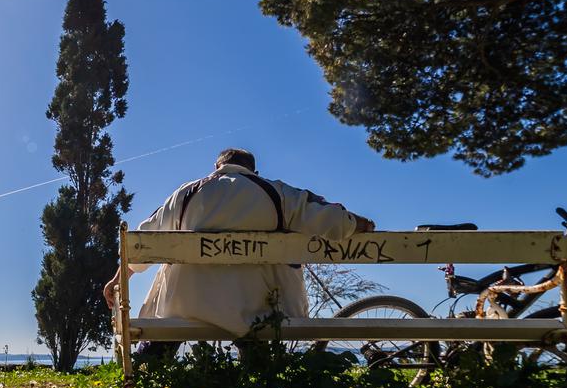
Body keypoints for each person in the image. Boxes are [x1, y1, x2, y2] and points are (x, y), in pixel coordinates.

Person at [103, 148, 374, 358]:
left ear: (216, 168)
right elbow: (331, 218)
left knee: (172, 290)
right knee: (253, 313)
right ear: (253, 170)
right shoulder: (277, 192)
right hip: (256, 309)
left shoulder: (185, 194)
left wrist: (119, 279)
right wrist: (359, 223)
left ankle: (150, 366)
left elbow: (141, 242)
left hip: (185, 306)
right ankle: (258, 371)